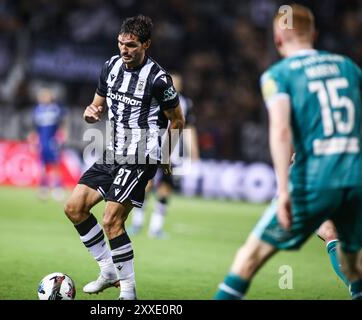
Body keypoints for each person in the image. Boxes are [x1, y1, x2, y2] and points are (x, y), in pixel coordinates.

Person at [214, 4, 361, 300]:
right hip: (354, 176)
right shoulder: (349, 67)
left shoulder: (278, 75)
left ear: (278, 38)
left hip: (313, 178)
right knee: (347, 253)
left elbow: (280, 130)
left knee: (248, 258)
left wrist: (283, 191)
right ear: (315, 34)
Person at [63, 15, 185, 300]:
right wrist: (90, 113)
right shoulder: (110, 67)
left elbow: (177, 120)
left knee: (111, 220)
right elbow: (95, 106)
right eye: (121, 44)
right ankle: (107, 270)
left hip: (143, 153)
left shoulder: (158, 79)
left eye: (131, 45)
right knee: (74, 208)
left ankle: (128, 293)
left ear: (146, 44)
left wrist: (166, 155)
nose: (124, 50)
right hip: (113, 150)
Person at [130, 72, 199, 239]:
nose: (173, 86)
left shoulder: (185, 103)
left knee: (166, 188)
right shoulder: (154, 98)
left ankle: (156, 227)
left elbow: (189, 127)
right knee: (145, 184)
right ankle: (137, 222)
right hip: (153, 147)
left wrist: (194, 150)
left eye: (177, 83)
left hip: (172, 152)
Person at [28, 88, 68, 201]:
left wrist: (63, 135)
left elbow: (63, 123)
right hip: (42, 142)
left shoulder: (56, 108)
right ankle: (43, 188)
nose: (44, 98)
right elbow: (34, 127)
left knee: (55, 165)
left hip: (52, 141)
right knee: (43, 166)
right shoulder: (37, 110)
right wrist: (33, 140)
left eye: (46, 95)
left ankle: (57, 188)